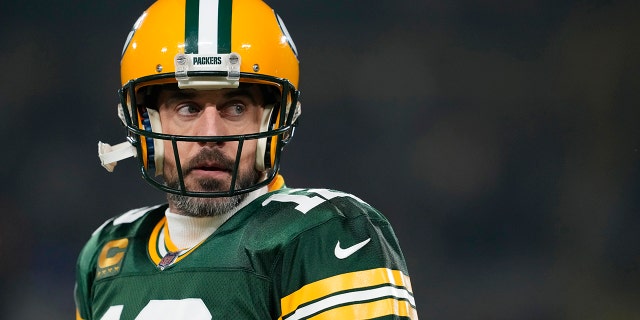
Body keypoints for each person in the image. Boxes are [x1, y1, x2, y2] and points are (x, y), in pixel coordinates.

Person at [75, 0, 418, 319]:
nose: (210, 134)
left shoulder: (322, 234)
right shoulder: (108, 250)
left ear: (272, 123)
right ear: (146, 125)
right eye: (188, 108)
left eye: (235, 108)